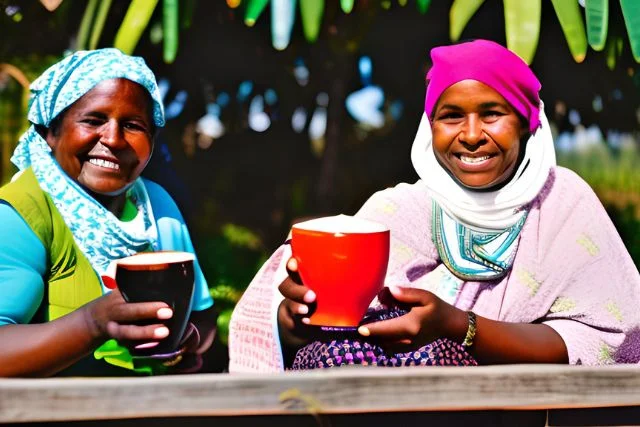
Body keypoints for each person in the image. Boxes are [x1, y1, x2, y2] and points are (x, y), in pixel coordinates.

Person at [228, 39, 640, 372]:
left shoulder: (562, 204)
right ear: (430, 127)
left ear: (527, 122)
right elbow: (316, 333)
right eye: (451, 116)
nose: (472, 134)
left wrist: (457, 327)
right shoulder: (399, 210)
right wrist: (295, 319)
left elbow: (602, 337)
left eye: (493, 113)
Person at [0, 49, 216, 377]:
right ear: (50, 132)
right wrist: (93, 323)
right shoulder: (23, 213)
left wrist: (185, 341)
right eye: (93, 120)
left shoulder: (157, 208)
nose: (113, 139)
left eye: (132, 125)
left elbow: (202, 317)